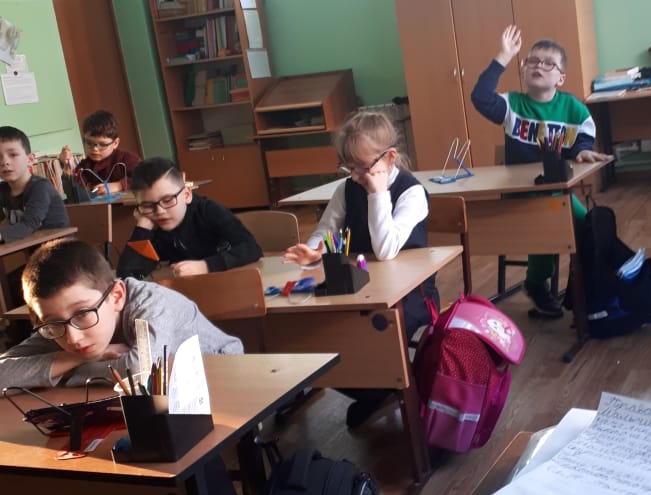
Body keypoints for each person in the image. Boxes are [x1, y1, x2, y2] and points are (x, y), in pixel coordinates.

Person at [0, 237, 249, 495]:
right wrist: (73, 358)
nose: (73, 335)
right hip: (136, 402)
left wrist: (62, 371)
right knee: (112, 462)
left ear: (116, 296)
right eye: (53, 325)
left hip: (221, 386)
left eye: (83, 315)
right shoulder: (66, 323)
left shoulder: (151, 303)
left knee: (191, 453)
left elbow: (141, 368)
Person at [284, 109, 438, 429]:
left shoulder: (411, 192)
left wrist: (378, 194)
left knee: (373, 332)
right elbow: (328, 230)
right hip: (359, 285)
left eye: (362, 167)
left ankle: (383, 388)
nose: (355, 176)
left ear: (390, 158)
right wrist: (315, 250)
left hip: (409, 294)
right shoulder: (347, 188)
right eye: (349, 167)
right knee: (319, 335)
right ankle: (376, 392)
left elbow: (386, 249)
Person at [471, 25, 611, 318]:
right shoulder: (512, 105)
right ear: (523, 69)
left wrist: (582, 151)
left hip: (555, 194)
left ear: (561, 78)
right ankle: (536, 283)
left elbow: (583, 138)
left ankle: (591, 285)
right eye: (532, 61)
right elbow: (480, 97)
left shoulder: (573, 108)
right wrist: (504, 55)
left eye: (549, 64)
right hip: (519, 196)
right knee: (549, 220)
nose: (538, 66)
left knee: (589, 226)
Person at [116, 157, 261, 279]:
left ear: (186, 195)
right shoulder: (153, 228)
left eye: (167, 200)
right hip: (188, 291)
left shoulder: (208, 210)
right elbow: (128, 276)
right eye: (148, 205)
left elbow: (251, 248)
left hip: (230, 281)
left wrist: (205, 266)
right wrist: (142, 229)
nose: (159, 211)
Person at [0, 125, 69, 242]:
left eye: (13, 155)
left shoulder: (40, 187)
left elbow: (28, 225)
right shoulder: (2, 190)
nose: (4, 162)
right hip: (27, 247)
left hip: (60, 248)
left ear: (30, 160)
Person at [60, 110, 141, 196]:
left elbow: (146, 177)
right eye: (89, 143)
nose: (95, 149)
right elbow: (74, 193)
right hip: (103, 204)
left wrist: (119, 185)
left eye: (102, 144)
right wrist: (67, 167)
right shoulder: (85, 166)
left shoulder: (127, 159)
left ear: (115, 143)